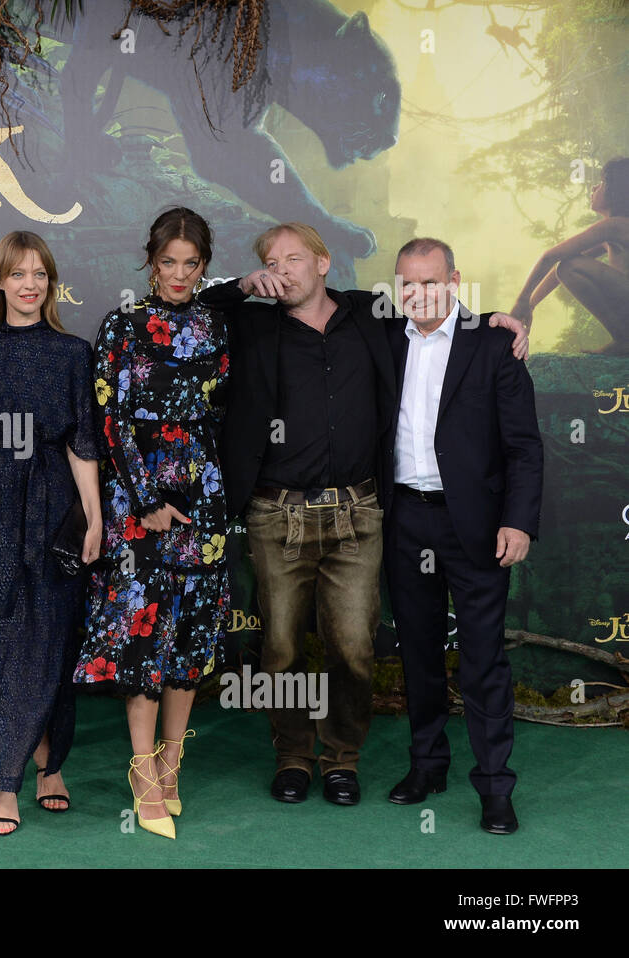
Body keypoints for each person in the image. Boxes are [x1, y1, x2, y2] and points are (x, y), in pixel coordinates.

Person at [200, 222, 528, 808]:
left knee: (355, 646)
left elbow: (448, 320)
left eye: (294, 258)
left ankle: (344, 760)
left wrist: (500, 320)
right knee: (279, 649)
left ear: (324, 263)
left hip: (364, 512)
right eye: (271, 262)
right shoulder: (251, 321)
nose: (283, 270)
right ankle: (294, 757)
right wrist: (244, 284)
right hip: (282, 515)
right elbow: (196, 302)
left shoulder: (369, 316)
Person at [73, 208, 231, 840]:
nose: (179, 274)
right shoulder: (123, 326)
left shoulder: (216, 326)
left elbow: (222, 413)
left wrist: (210, 489)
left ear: (203, 267)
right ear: (151, 260)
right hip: (140, 501)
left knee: (190, 639)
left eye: (191, 264)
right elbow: (110, 421)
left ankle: (171, 769)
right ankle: (141, 774)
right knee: (145, 639)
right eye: (168, 262)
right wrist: (143, 502)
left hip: (205, 495)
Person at [383, 237, 542, 834]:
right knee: (418, 652)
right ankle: (427, 765)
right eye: (407, 283)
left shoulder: (495, 343)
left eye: (431, 281)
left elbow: (524, 447)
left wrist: (519, 519)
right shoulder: (381, 337)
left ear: (454, 280)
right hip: (404, 519)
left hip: (474, 523)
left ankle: (496, 787)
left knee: (481, 660)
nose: (419, 294)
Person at [0, 231, 101, 836]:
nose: (30, 285)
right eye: (18, 274)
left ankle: (48, 763)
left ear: (51, 283)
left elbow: (83, 441)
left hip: (56, 500)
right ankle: (2, 779)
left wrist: (93, 516)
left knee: (56, 637)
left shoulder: (72, 351)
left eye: (40, 274)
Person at [510, 157, 629, 353]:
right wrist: (530, 304)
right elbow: (558, 267)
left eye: (602, 183)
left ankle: (624, 339)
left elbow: (551, 257)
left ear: (614, 191)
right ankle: (624, 338)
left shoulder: (616, 226)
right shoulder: (614, 230)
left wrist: (521, 301)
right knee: (567, 265)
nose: (594, 188)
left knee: (569, 266)